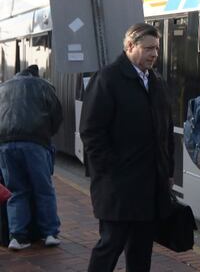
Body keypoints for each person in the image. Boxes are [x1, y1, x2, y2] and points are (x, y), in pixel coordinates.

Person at [79, 23, 174, 272]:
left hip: (150, 187)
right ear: (130, 46)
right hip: (118, 188)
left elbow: (165, 131)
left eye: (157, 48)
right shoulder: (108, 79)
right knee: (110, 246)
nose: (154, 54)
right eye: (149, 48)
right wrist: (112, 172)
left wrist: (168, 171)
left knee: (142, 251)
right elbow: (91, 132)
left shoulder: (156, 82)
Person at [0, 64, 63, 250]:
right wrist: (47, 133)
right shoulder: (43, 85)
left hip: (5, 144)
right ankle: (50, 233)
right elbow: (56, 114)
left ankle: (17, 237)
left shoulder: (4, 87)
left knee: (15, 190)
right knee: (43, 188)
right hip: (35, 142)